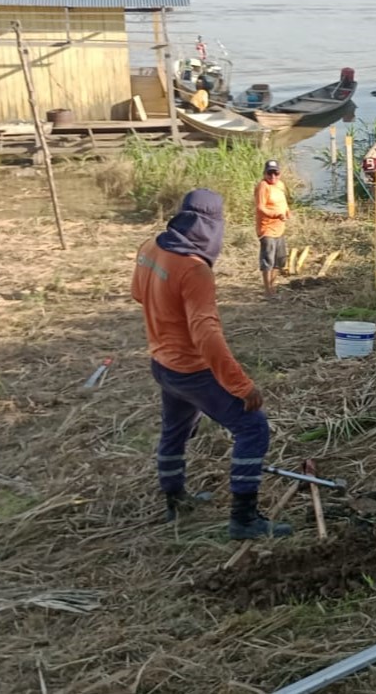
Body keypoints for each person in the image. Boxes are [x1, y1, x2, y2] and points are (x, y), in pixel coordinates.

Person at [130, 188, 292, 540]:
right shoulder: (194, 269)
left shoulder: (150, 248)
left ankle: (175, 500)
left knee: (174, 432)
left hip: (161, 365)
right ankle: (244, 519)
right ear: (211, 226)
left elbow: (137, 293)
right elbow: (206, 334)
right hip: (191, 371)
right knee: (252, 428)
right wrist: (240, 385)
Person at [254, 160, 290, 297]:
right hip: (267, 228)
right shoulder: (263, 186)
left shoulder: (280, 185)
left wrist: (287, 211)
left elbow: (283, 201)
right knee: (268, 259)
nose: (273, 176)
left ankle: (273, 286)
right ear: (264, 173)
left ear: (279, 173)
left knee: (279, 259)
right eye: (270, 173)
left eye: (276, 173)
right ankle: (268, 290)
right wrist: (276, 214)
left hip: (279, 228)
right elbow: (260, 207)